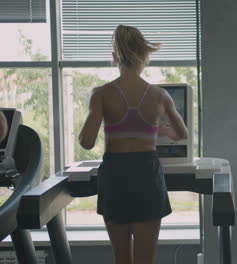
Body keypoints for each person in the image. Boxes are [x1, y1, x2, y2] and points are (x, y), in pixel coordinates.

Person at [79, 25, 188, 264]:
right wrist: (155, 128)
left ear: (115, 56)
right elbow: (182, 133)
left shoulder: (101, 94)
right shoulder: (160, 95)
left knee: (121, 258)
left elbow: (86, 142)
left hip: (115, 175)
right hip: (145, 174)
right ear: (144, 56)